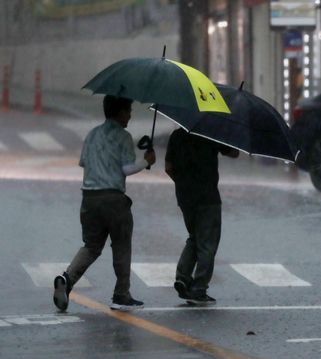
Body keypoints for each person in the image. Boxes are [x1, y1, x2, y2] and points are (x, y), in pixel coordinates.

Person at [53, 95, 156, 311]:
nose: (130, 115)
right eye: (128, 111)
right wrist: (146, 161)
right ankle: (121, 294)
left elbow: (84, 163)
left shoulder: (91, 135)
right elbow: (127, 169)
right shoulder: (123, 137)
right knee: (121, 245)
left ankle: (67, 279)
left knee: (91, 246)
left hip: (89, 199)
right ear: (119, 112)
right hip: (114, 200)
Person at [165, 127, 239, 306]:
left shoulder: (176, 135)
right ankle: (199, 288)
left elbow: (168, 168)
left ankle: (183, 278)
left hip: (185, 197)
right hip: (208, 197)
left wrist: (183, 183)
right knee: (207, 244)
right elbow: (233, 153)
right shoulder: (211, 132)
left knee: (195, 237)